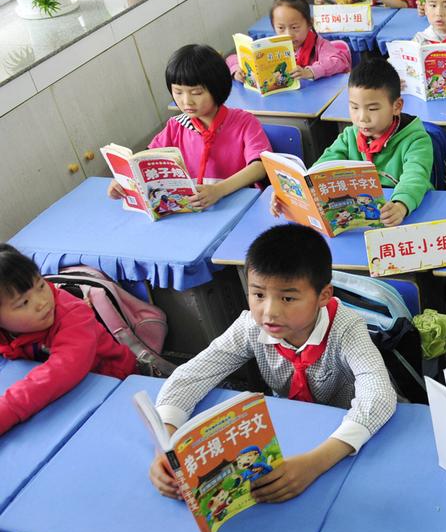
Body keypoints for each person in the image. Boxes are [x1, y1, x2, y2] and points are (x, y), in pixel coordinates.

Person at [149, 224, 397, 503]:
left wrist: (315, 463)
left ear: (323, 296)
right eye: (258, 295)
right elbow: (191, 376)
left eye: (288, 298)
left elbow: (379, 396)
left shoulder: (347, 328)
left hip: (347, 436)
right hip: (292, 428)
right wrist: (168, 443)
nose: (269, 312)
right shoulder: (251, 327)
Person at [109, 44, 271, 210]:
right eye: (178, 92)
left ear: (217, 88)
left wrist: (218, 191)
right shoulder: (176, 126)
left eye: (196, 93)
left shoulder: (244, 122)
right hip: (193, 210)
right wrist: (125, 179)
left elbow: (260, 167)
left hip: (238, 205)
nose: (186, 101)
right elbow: (143, 161)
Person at [273, 58, 432, 227]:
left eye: (372, 109)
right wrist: (293, 192)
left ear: (396, 106)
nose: (362, 118)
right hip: (359, 218)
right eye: (354, 107)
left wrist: (401, 205)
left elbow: (415, 177)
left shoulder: (416, 140)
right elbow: (324, 166)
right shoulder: (349, 136)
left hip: (398, 216)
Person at [0, 245, 136, 436]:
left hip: (114, 382)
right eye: (24, 302)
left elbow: (60, 372)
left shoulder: (72, 315)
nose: (42, 302)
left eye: (40, 285)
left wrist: (7, 410)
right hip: (62, 394)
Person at [229, 0, 352, 82]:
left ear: (309, 24)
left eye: (294, 28)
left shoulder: (319, 45)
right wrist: (237, 70)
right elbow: (231, 59)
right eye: (281, 28)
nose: (288, 34)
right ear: (273, 26)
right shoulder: (269, 47)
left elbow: (339, 61)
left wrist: (309, 71)